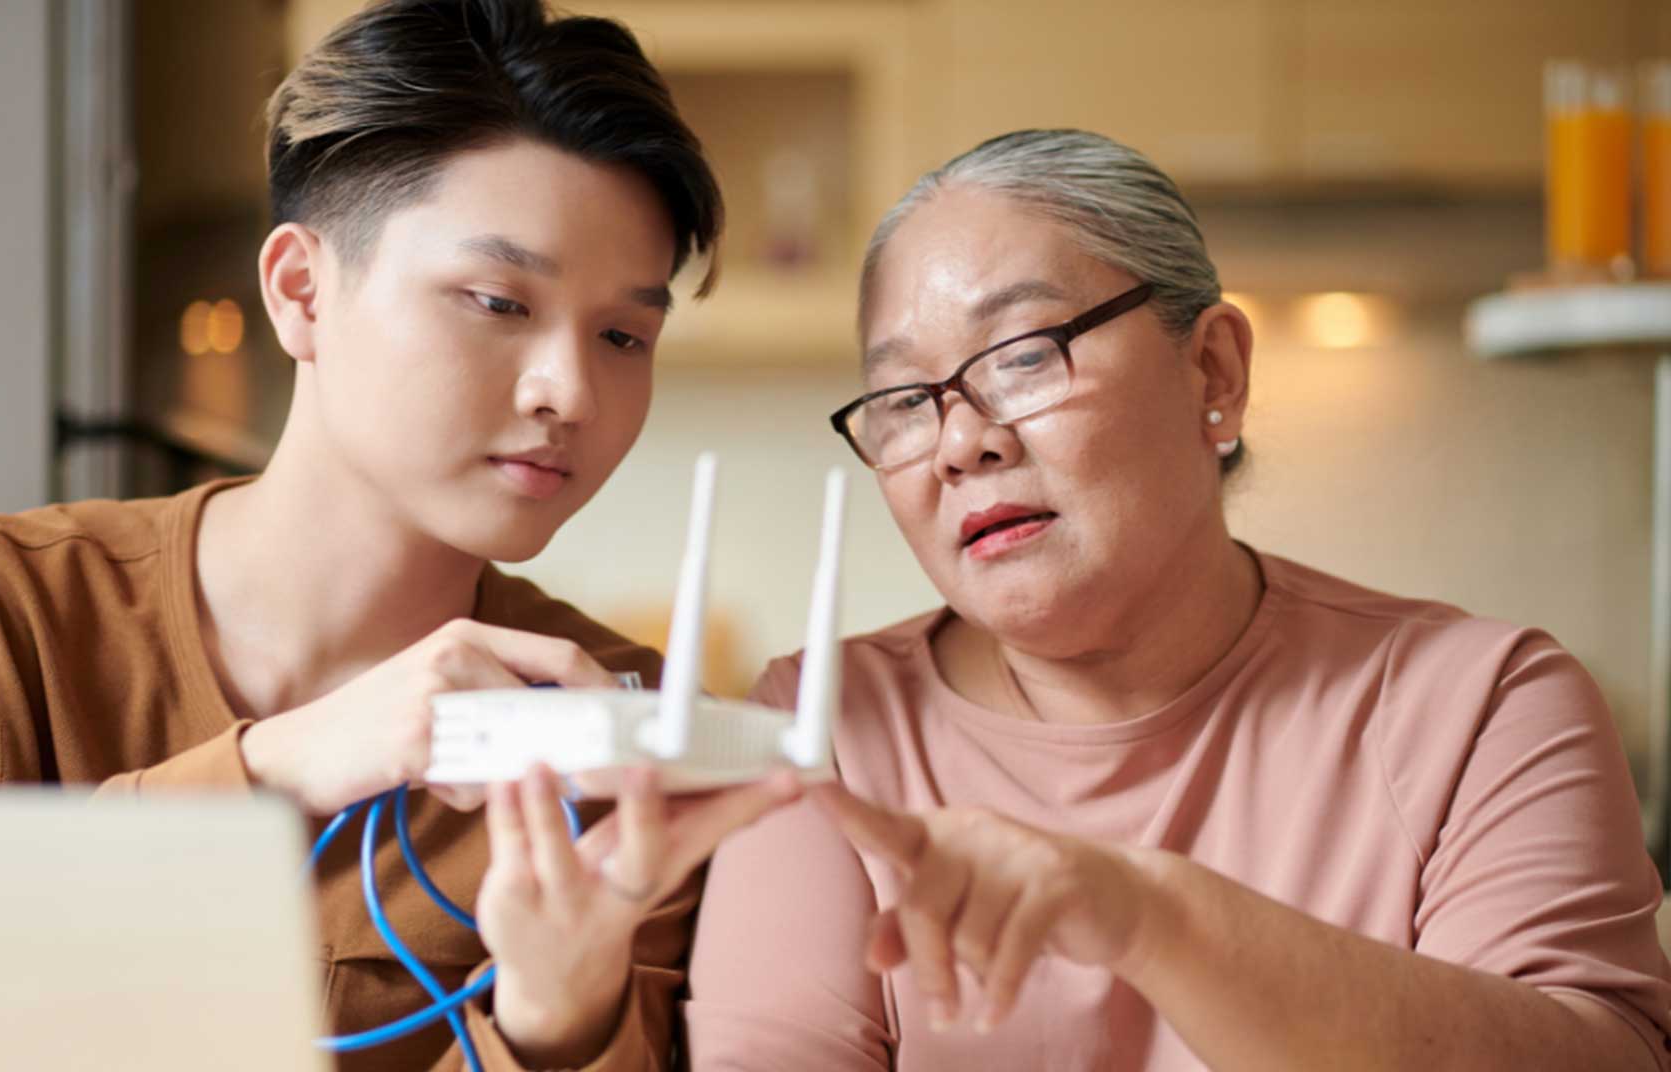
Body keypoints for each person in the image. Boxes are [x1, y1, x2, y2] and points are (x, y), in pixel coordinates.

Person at [0, 2, 798, 1069]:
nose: (570, 389)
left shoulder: (615, 724)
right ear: (300, 291)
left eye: (623, 335)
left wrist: (553, 1023)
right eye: (495, 300)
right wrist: (275, 771)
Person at [684, 128, 1671, 1070]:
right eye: (904, 400)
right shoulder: (819, 728)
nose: (958, 443)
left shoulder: (1484, 707)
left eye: (1024, 354)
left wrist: (1151, 916)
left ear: (1215, 370)